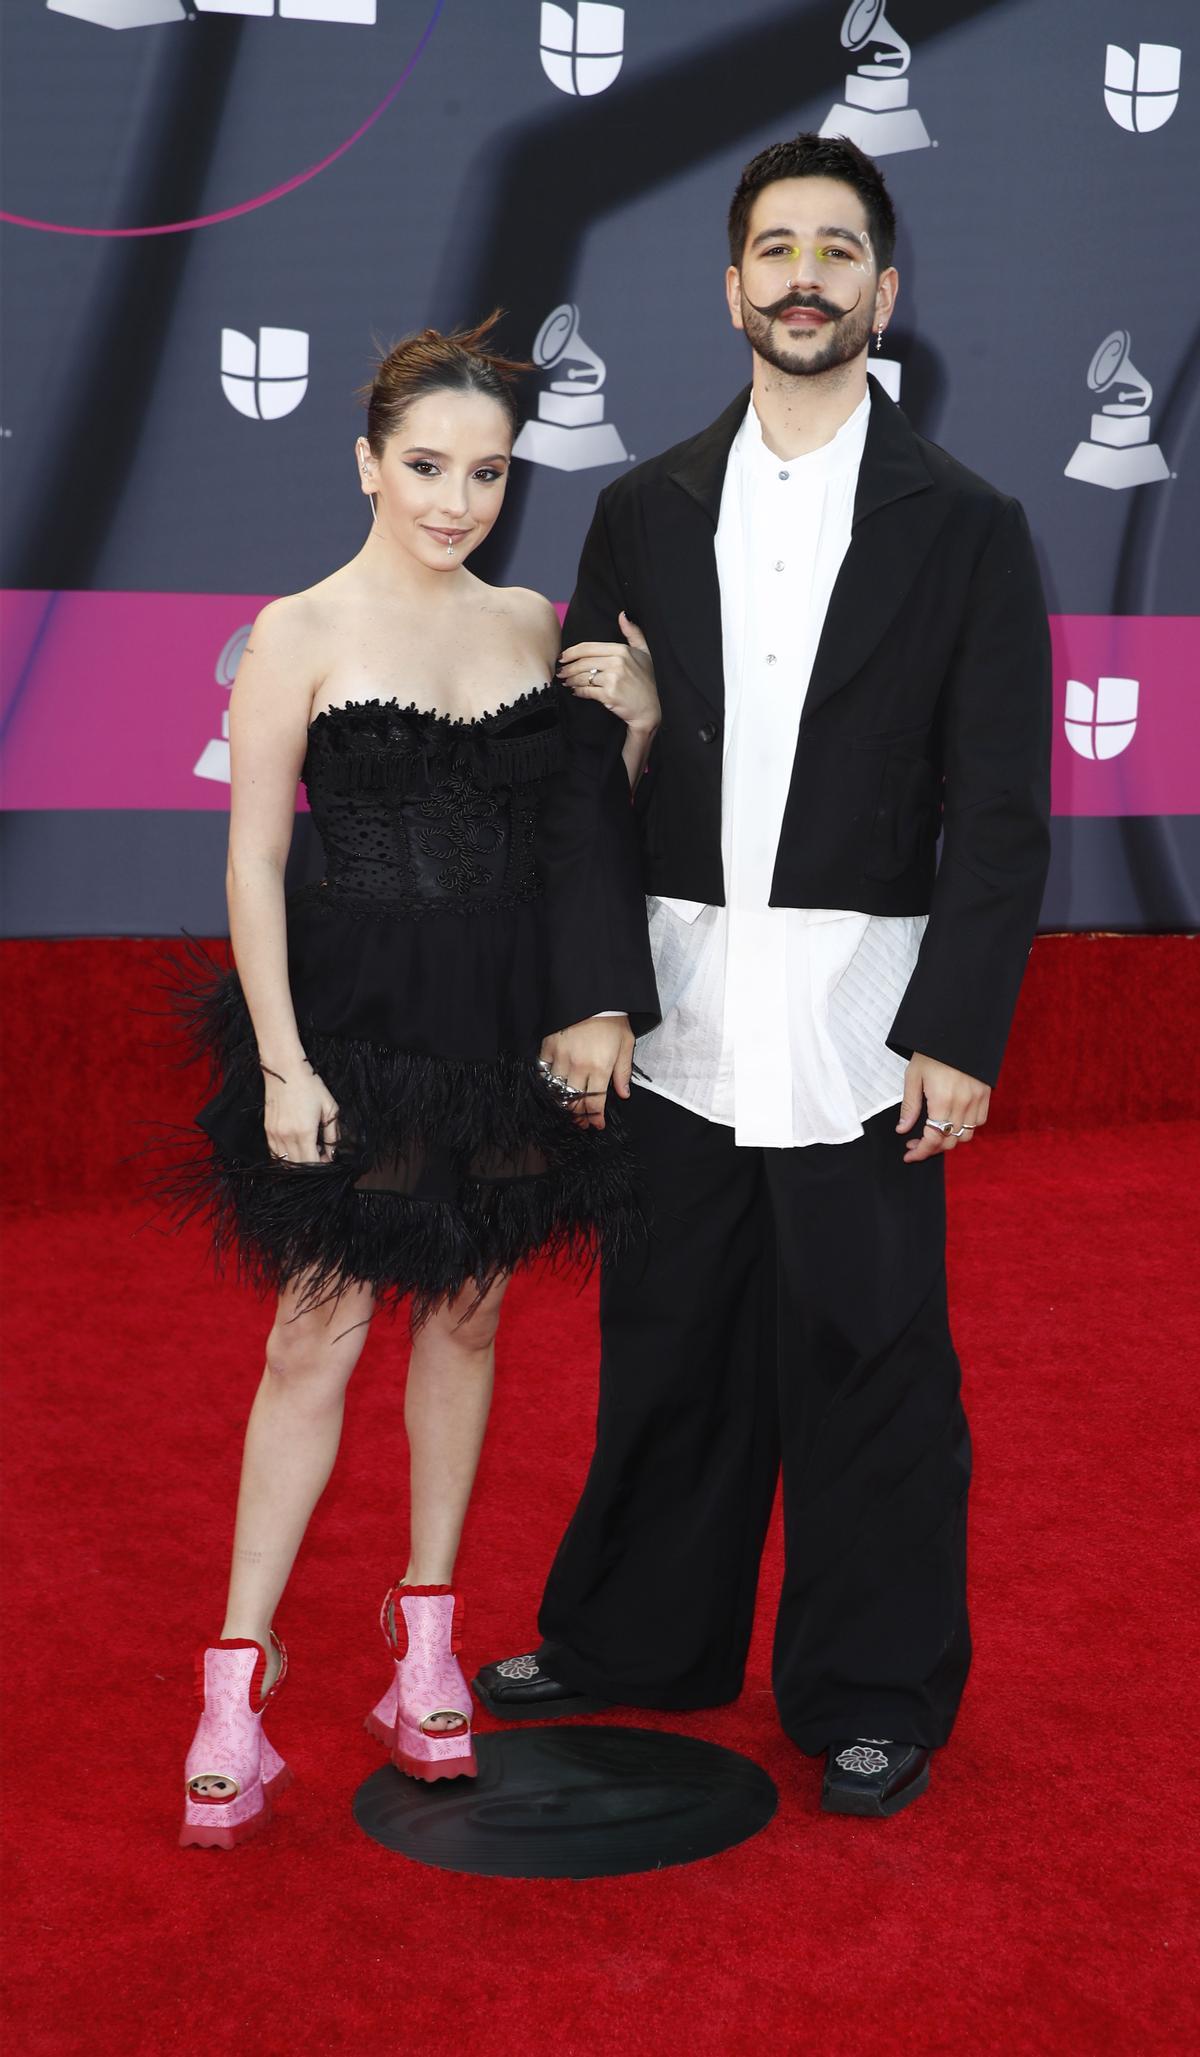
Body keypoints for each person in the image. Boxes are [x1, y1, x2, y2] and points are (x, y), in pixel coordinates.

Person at [475, 135, 1052, 1818]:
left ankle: (874, 1687)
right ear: (732, 289)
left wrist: (956, 1027)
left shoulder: (974, 527)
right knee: (668, 1342)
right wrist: (592, 990)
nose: (806, 274)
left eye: (839, 248)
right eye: (776, 247)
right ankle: (636, 1642)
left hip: (863, 1027)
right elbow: (592, 778)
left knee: (873, 1355)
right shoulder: (639, 509)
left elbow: (1002, 815)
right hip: (676, 1008)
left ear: (887, 290)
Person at [170, 315, 659, 1849]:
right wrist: (280, 1059)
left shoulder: (532, 624)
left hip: (501, 1032)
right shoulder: (299, 629)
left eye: (490, 474)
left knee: (469, 1307)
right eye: (430, 466)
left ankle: (428, 1637)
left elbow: (576, 841)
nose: (458, 500)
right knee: (313, 1334)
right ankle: (234, 1687)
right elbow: (253, 857)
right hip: (353, 1029)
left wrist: (634, 729)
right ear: (366, 461)